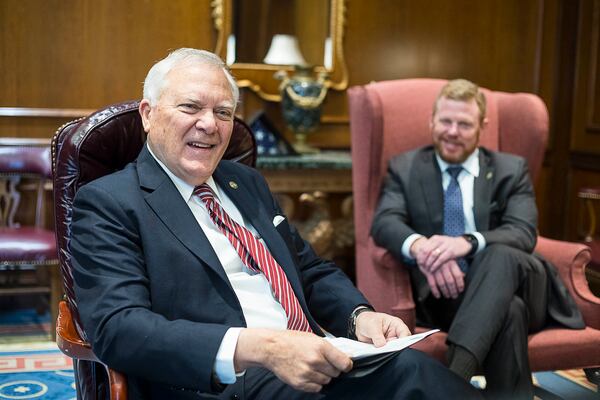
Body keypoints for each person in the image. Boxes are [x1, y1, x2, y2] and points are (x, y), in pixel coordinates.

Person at [70, 49, 482, 399]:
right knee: (410, 377)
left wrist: (359, 317)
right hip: (222, 382)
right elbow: (118, 328)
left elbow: (309, 269)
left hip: (314, 361)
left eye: (223, 112)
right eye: (190, 107)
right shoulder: (109, 201)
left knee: (407, 369)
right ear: (148, 114)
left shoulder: (243, 182)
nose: (209, 124)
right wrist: (262, 348)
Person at [371, 79, 584, 399]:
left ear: (482, 126)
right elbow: (385, 222)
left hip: (526, 285)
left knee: (499, 254)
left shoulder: (509, 170)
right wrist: (423, 247)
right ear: (432, 120)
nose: (453, 131)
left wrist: (466, 243)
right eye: (445, 121)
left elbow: (523, 232)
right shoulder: (407, 167)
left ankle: (451, 383)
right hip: (448, 296)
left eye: (464, 124)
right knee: (508, 311)